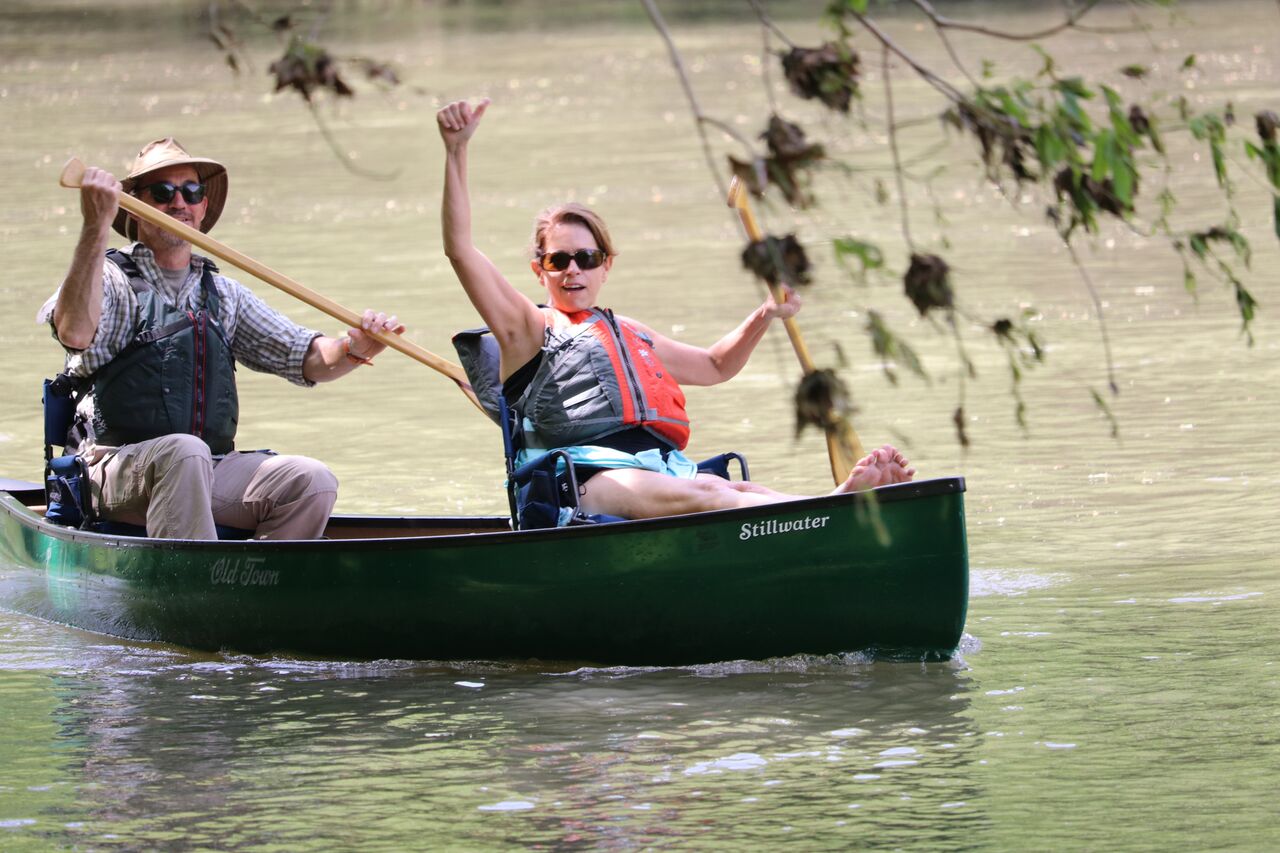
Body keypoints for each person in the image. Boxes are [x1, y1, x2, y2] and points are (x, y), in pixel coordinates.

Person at [436, 98, 915, 522]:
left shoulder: (628, 332)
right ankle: (836, 506)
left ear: (606, 266)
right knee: (710, 492)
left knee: (737, 488)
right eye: (558, 260)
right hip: (583, 480)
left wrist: (767, 313)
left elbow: (714, 365)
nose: (572, 270)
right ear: (540, 271)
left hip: (657, 469)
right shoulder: (525, 328)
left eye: (586, 258)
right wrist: (456, 151)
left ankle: (829, 504)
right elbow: (460, 250)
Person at [38, 137, 404, 540]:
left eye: (191, 191)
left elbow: (308, 357)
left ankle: (257, 585)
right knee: (184, 451)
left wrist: (355, 348)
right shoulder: (110, 279)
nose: (180, 202)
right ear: (133, 206)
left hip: (205, 467)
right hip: (111, 471)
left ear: (204, 206)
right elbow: (73, 331)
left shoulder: (222, 294)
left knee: (310, 480)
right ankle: (191, 593)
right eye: (162, 193)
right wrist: (95, 228)